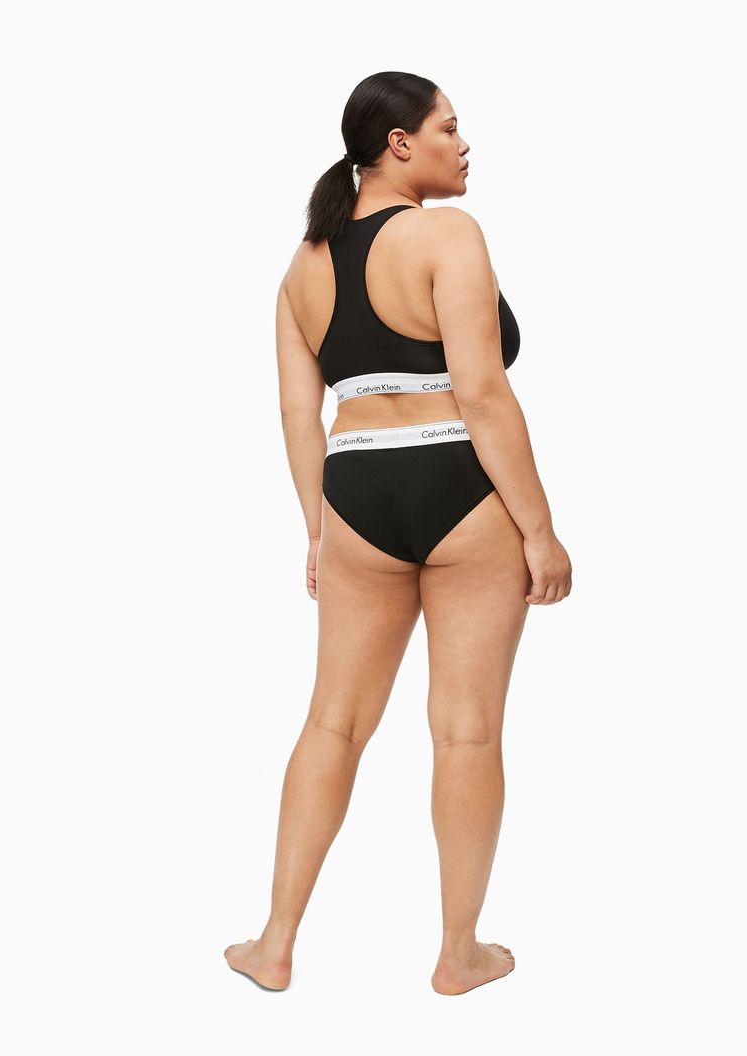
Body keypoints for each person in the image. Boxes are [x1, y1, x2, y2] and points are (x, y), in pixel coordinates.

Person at [224, 71, 572, 996]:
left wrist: (317, 530)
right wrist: (541, 531)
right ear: (399, 143)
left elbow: (299, 413)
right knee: (466, 732)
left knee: (332, 723)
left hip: (354, 493)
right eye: (449, 127)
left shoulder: (301, 269)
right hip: (461, 483)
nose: (465, 143)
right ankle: (459, 955)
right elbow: (483, 394)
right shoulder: (446, 235)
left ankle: (273, 944)